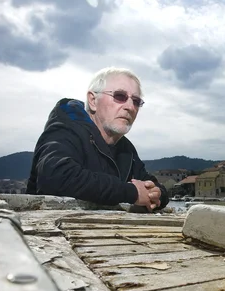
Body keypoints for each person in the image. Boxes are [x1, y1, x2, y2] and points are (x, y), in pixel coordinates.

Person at [26, 67, 168, 211]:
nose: (130, 107)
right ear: (93, 100)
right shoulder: (65, 130)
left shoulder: (125, 148)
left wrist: (157, 194)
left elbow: (151, 183)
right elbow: (56, 177)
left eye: (136, 101)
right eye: (120, 96)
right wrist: (131, 192)